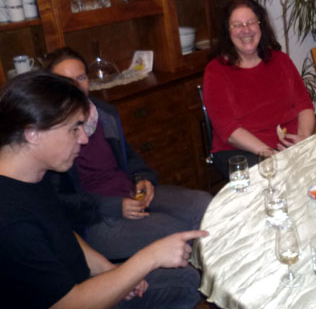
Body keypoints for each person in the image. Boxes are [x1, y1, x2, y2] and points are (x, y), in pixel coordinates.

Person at [0, 71, 208, 308]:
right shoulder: (10, 219)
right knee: (182, 281)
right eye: (74, 129)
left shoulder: (32, 175)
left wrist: (107, 269)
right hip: (75, 300)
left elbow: (63, 233)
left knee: (185, 279)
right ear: (33, 133)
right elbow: (69, 303)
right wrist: (149, 257)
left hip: (80, 283)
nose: (84, 139)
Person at [42, 47, 212, 262]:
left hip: (131, 194)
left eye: (81, 77)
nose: (77, 86)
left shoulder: (102, 113)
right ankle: (193, 273)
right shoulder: (48, 135)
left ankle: (209, 270)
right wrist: (113, 206)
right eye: (67, 81)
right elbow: (58, 202)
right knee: (176, 229)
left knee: (204, 204)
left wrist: (143, 178)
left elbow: (129, 157)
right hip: (95, 219)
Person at [203, 0, 315, 177]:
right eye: (237, 25)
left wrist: (303, 138)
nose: (246, 30)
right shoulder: (216, 71)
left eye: (251, 22)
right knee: (278, 178)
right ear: (227, 32)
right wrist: (269, 154)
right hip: (240, 151)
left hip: (287, 145)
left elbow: (304, 106)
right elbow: (228, 130)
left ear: (261, 26)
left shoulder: (281, 60)